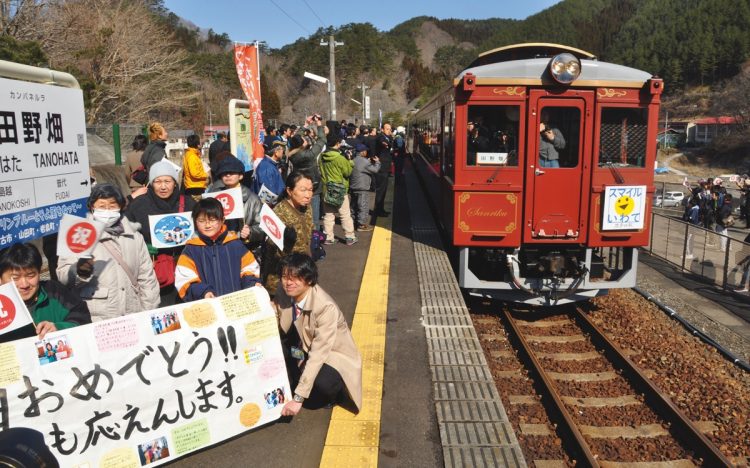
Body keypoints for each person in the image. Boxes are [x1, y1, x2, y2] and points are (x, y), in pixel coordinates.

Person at [57, 184, 160, 321]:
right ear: (92, 207)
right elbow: (63, 275)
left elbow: (147, 277)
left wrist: (149, 313)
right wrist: (81, 271)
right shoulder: (78, 233)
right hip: (95, 317)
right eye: (101, 206)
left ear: (121, 207)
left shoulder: (135, 236)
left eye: (112, 206)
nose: (107, 211)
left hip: (133, 314)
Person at [275, 253, 362, 415]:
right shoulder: (284, 290)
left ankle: (336, 394)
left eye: (295, 278)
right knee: (277, 348)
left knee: (323, 384)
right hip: (303, 342)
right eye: (285, 277)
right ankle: (299, 376)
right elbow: (276, 312)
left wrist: (298, 398)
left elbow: (318, 353)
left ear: (309, 280)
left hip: (331, 354)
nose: (288, 283)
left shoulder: (325, 307)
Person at [125, 159, 196, 306]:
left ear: (175, 183)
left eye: (167, 181)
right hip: (153, 270)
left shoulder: (188, 203)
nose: (163, 186)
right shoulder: (138, 205)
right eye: (158, 182)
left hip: (185, 266)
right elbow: (125, 236)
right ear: (151, 183)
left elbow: (202, 229)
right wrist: (143, 246)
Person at [0, 243, 91, 341]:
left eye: (31, 275)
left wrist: (59, 328)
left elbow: (83, 318)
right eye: (15, 278)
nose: (24, 284)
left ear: (39, 273)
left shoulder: (54, 290)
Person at [175, 198, 260, 301]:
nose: (207, 225)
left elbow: (249, 269)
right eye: (201, 221)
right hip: (207, 307)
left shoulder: (235, 245)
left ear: (222, 220)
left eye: (212, 220)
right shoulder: (190, 250)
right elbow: (184, 280)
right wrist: (203, 292)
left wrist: (253, 283)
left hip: (235, 304)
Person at [262, 172, 315, 295]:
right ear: (289, 191)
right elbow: (270, 246)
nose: (308, 195)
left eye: (311, 190)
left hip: (304, 273)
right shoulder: (278, 213)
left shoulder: (307, 207)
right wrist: (285, 242)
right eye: (303, 190)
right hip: (282, 281)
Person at [208, 155, 265, 250]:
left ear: (241, 176)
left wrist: (250, 232)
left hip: (242, 248)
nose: (228, 175)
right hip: (218, 247)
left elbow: (262, 227)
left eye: (232, 172)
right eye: (224, 173)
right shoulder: (213, 195)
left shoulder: (253, 199)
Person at [288, 116, 326, 228]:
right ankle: (315, 239)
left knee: (302, 214)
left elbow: (295, 138)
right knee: (314, 217)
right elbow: (322, 140)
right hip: (312, 187)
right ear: (301, 144)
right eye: (304, 140)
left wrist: (306, 124)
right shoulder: (308, 155)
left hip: (299, 185)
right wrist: (319, 124)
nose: (305, 140)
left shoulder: (291, 154)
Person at [320, 135, 357, 246]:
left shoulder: (322, 157)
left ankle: (328, 237)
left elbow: (320, 171)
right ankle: (349, 237)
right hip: (340, 189)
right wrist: (350, 161)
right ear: (337, 144)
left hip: (327, 188)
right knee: (345, 214)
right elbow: (347, 173)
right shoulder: (340, 158)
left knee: (328, 214)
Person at [349, 143, 380, 231]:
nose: (366, 152)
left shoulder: (353, 160)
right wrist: (377, 162)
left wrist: (368, 162)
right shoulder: (365, 162)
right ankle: (361, 225)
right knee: (363, 206)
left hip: (353, 186)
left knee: (354, 206)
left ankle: (353, 222)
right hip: (362, 187)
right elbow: (375, 170)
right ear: (362, 152)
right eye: (365, 150)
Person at [373, 123, 393, 216]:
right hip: (382, 168)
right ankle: (378, 210)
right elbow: (381, 141)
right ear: (382, 129)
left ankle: (381, 209)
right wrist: (385, 144)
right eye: (387, 129)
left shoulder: (389, 137)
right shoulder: (380, 137)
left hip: (386, 167)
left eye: (390, 129)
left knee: (384, 190)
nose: (389, 130)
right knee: (381, 190)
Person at [183, 134, 208, 202]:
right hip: (195, 187)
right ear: (197, 144)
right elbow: (194, 173)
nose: (202, 143)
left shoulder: (192, 154)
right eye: (200, 142)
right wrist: (206, 175)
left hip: (195, 186)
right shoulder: (192, 156)